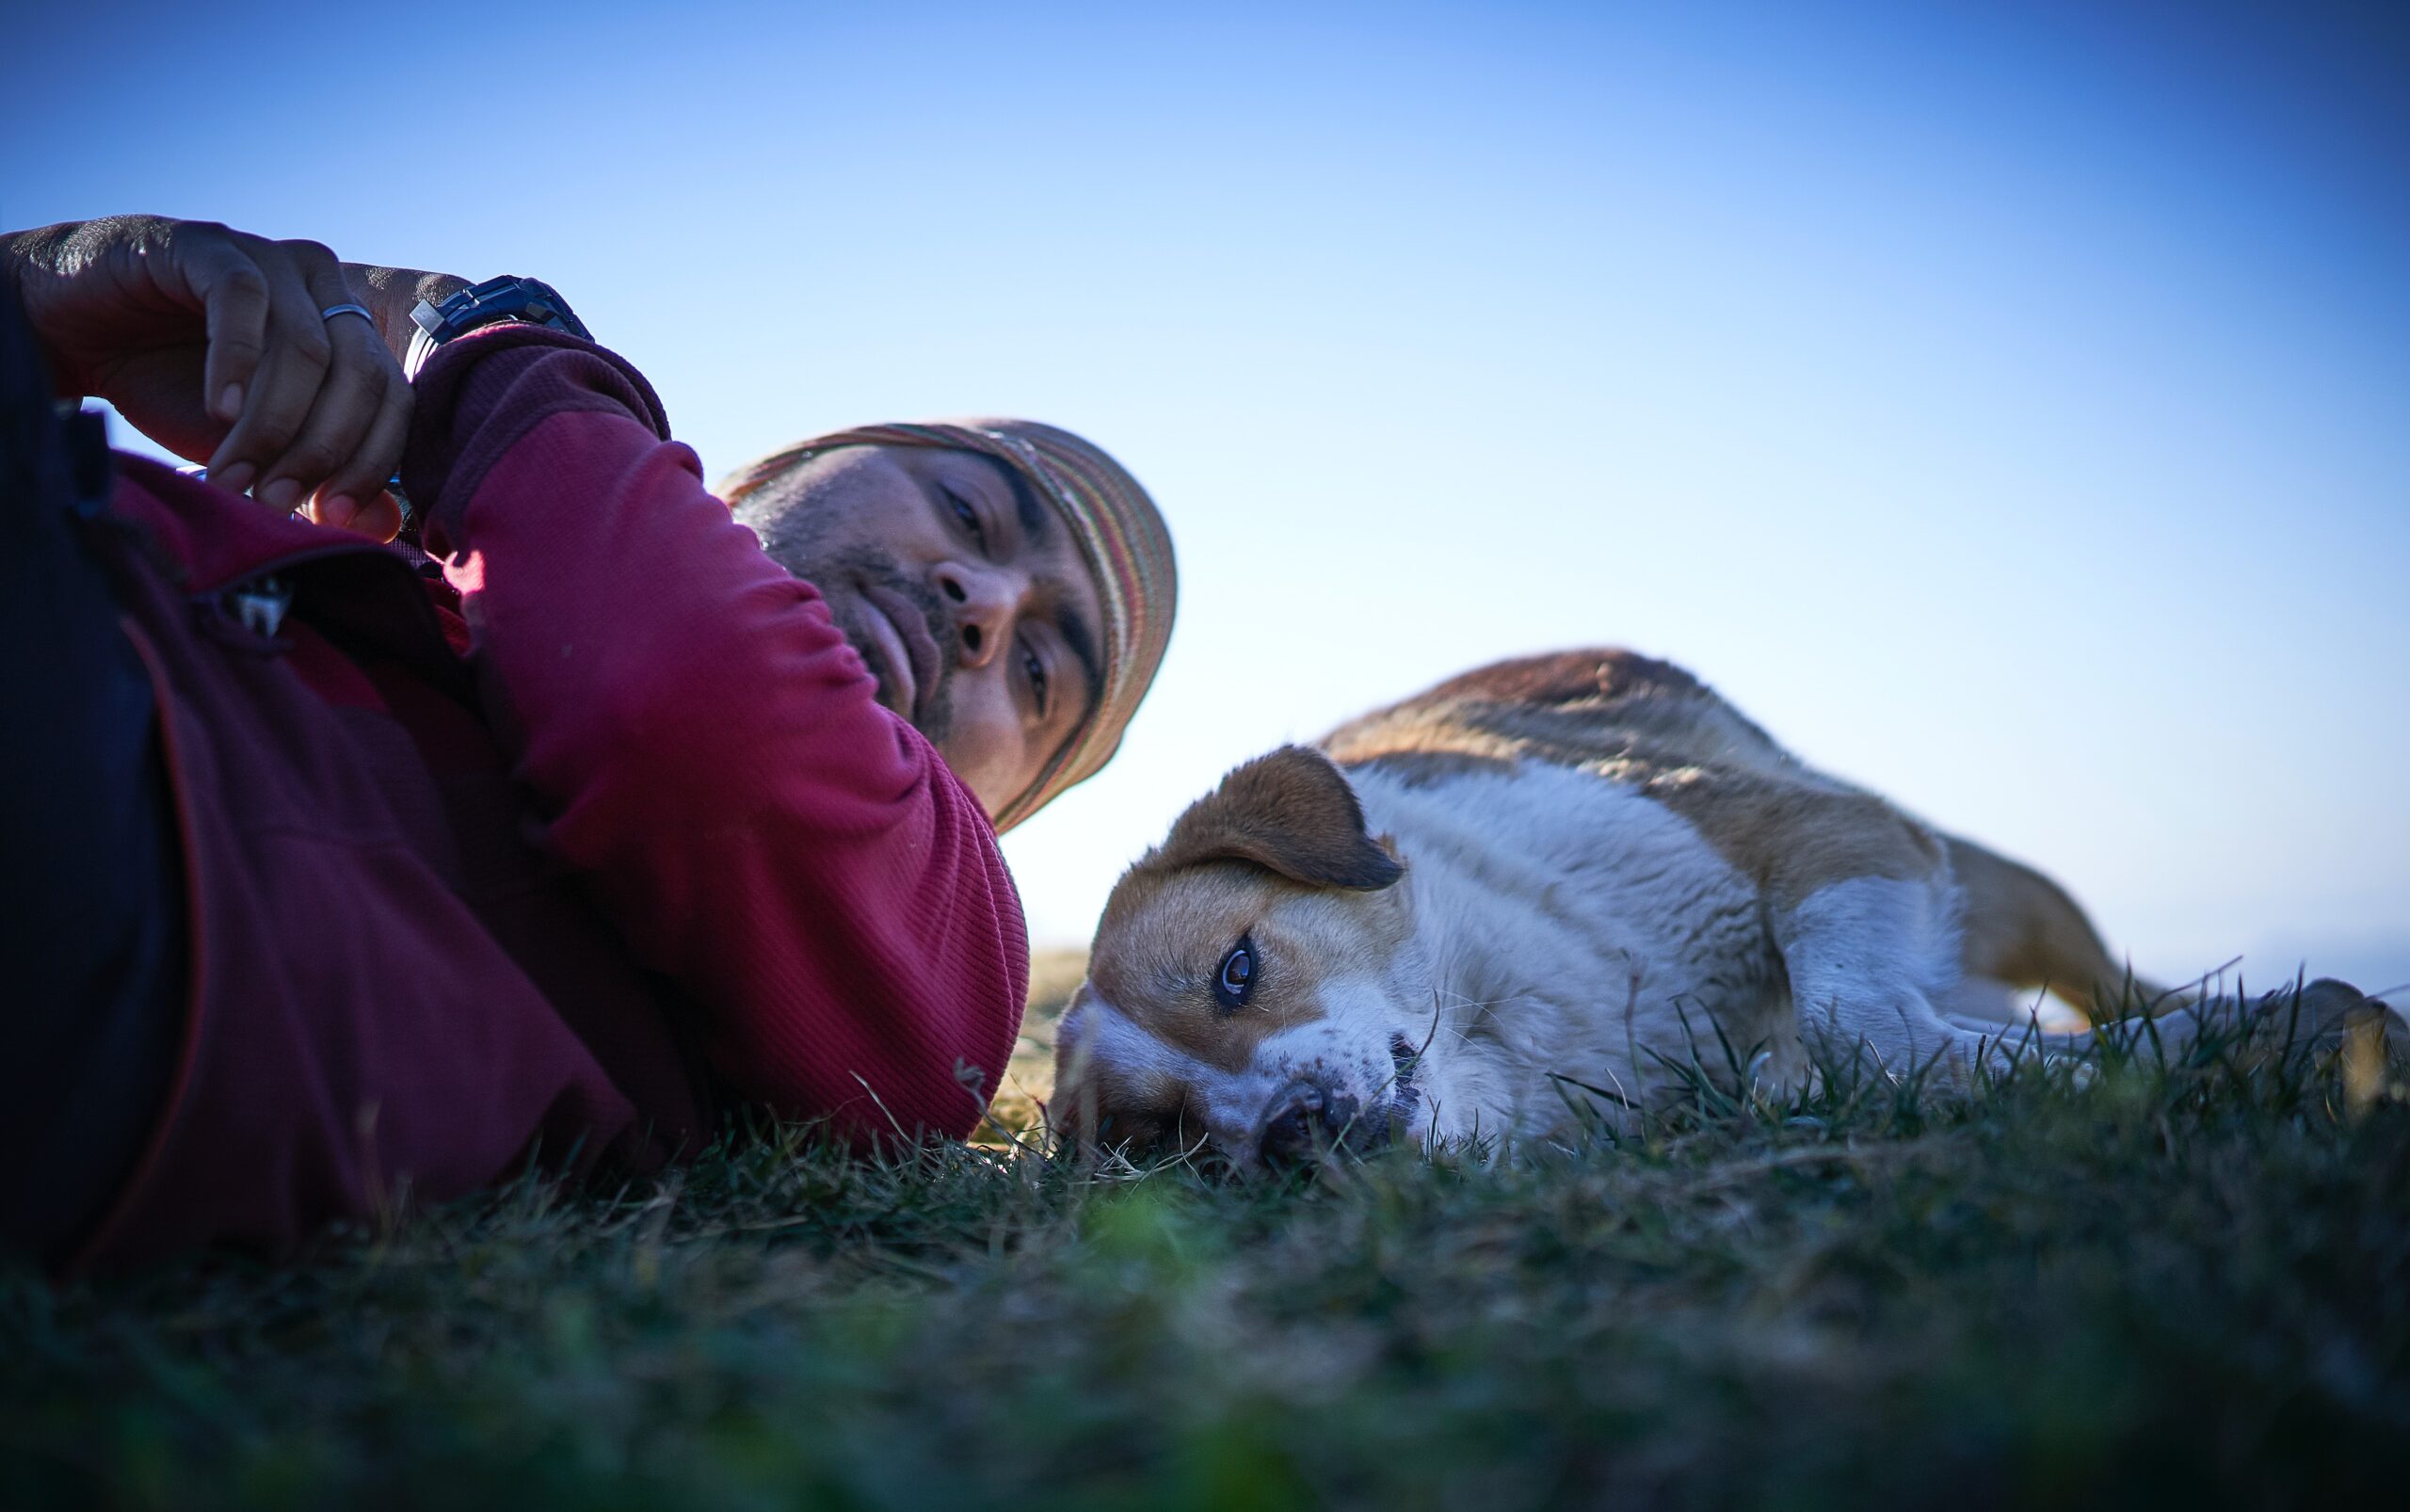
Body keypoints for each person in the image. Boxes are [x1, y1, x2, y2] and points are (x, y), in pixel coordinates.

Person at [0, 216, 1174, 1273]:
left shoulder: (945, 934)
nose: (984, 605)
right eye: (969, 511)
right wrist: (49, 313)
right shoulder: (415, 563)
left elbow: (690, 698)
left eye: (1038, 671)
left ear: (1007, 806)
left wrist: (489, 339)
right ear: (775, 472)